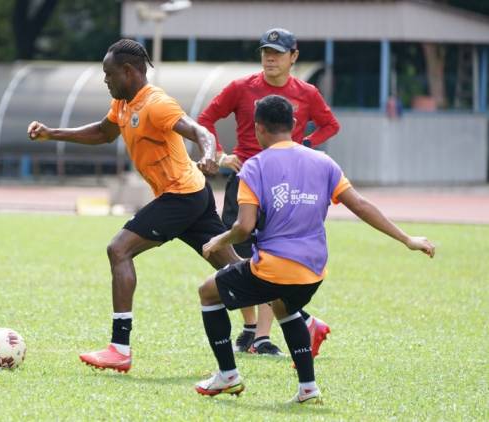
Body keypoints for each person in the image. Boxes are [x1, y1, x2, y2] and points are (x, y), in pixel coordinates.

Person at [195, 95, 435, 402]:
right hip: (313, 271)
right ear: (295, 125)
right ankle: (307, 388)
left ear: (257, 129)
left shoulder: (254, 167)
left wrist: (219, 241)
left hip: (274, 267)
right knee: (284, 304)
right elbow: (360, 205)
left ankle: (227, 376)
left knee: (207, 292)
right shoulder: (324, 162)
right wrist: (407, 239)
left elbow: (243, 226)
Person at [27, 39, 241, 373]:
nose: (105, 80)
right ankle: (304, 320)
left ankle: (119, 348)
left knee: (119, 249)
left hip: (180, 196)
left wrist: (210, 156)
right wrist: (51, 133)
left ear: (128, 72)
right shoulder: (124, 104)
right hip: (191, 195)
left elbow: (201, 133)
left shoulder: (156, 103)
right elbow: (102, 132)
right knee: (236, 269)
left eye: (108, 74)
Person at [198, 28, 341, 356]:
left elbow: (330, 125)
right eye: (265, 51)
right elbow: (206, 119)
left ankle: (262, 337)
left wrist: (306, 145)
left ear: (294, 57)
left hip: (284, 185)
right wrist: (219, 154)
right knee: (234, 253)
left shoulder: (307, 93)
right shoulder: (241, 88)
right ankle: (254, 326)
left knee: (271, 257)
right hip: (246, 180)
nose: (270, 58)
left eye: (277, 52)